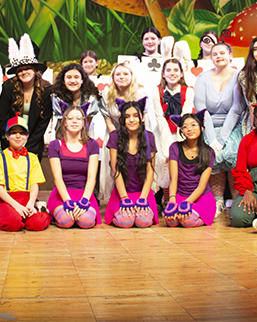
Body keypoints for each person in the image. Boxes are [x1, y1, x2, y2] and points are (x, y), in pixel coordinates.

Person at [194, 42, 244, 217]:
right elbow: (201, 110)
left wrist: (222, 139)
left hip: (232, 126)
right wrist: (212, 139)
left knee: (232, 151)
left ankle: (238, 200)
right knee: (210, 153)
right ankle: (218, 201)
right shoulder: (202, 78)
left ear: (230, 55)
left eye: (222, 53)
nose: (219, 56)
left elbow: (236, 109)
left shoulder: (239, 77)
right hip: (209, 126)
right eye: (215, 54)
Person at [0, 114, 50, 232]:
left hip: (26, 199)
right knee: (13, 224)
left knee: (37, 224)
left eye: (22, 133)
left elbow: (34, 184)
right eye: (14, 132)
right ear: (7, 136)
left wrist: (31, 203)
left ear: (27, 136)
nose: (18, 136)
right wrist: (16, 206)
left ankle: (39, 208)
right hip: (7, 200)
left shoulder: (32, 158)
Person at [0, 35, 52, 160]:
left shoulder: (46, 90)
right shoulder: (8, 87)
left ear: (35, 69)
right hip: (9, 143)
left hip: (33, 144)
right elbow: (2, 117)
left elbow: (43, 123)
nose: (24, 72)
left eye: (27, 68)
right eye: (20, 70)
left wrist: (29, 147)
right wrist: (12, 143)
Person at [104, 100, 158, 228]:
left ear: (142, 118)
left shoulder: (149, 137)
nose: (131, 120)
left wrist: (143, 198)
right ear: (122, 120)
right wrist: (124, 198)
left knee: (142, 222)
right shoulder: (115, 137)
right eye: (127, 117)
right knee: (126, 221)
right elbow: (115, 170)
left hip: (143, 192)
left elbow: (150, 171)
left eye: (135, 116)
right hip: (122, 192)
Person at [48, 105, 100, 229]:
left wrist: (84, 201)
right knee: (66, 221)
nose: (74, 121)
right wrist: (67, 201)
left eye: (78, 118)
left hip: (84, 194)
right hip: (62, 195)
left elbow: (92, 177)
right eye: (70, 118)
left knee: (86, 221)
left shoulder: (92, 145)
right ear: (64, 122)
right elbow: (57, 178)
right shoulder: (55, 145)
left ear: (84, 123)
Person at [151, 58, 195, 204]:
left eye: (176, 70)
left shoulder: (188, 92)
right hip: (162, 134)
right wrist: (167, 146)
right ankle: (166, 198)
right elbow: (160, 118)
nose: (172, 73)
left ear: (182, 74)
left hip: (181, 133)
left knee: (179, 159)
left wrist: (177, 144)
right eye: (168, 70)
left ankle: (177, 197)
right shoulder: (156, 92)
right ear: (163, 74)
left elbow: (185, 119)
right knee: (163, 159)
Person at [163, 112, 215, 228]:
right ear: (181, 131)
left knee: (187, 221)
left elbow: (202, 186)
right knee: (171, 221)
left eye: (193, 125)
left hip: (201, 197)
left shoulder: (209, 152)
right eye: (185, 126)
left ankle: (203, 217)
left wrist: (188, 203)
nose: (189, 129)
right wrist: (172, 200)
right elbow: (173, 178)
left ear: (201, 128)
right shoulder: (175, 147)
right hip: (181, 196)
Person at [51, 63, 102, 137]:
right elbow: (62, 123)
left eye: (76, 77)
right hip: (63, 135)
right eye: (69, 77)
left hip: (85, 134)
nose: (72, 80)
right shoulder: (57, 97)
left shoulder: (90, 98)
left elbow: (87, 123)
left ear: (82, 80)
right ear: (63, 81)